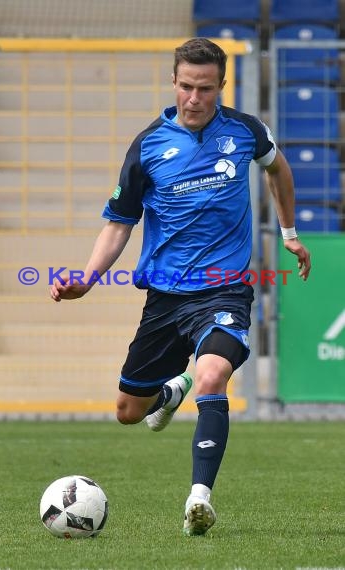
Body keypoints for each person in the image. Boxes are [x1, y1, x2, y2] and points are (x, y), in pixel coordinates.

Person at [50, 38, 311, 536]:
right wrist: (86, 278)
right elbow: (119, 223)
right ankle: (172, 391)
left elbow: (278, 168)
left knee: (213, 373)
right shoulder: (148, 145)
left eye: (206, 89)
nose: (195, 98)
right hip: (165, 299)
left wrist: (289, 233)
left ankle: (199, 500)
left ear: (222, 86)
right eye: (187, 87)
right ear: (174, 82)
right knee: (129, 412)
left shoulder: (244, 132)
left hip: (224, 289)